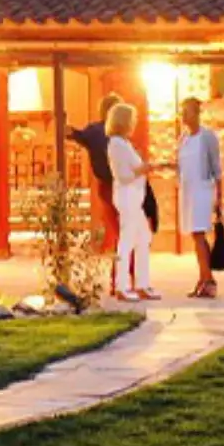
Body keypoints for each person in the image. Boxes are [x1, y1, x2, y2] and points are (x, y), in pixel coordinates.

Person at [67, 95, 126, 296]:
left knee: (121, 233)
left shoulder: (95, 132)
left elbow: (73, 134)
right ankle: (121, 280)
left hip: (108, 187)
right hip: (119, 187)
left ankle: (120, 278)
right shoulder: (113, 135)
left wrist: (64, 124)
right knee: (124, 234)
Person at [107, 101, 157, 301]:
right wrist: (142, 169)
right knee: (127, 240)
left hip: (136, 197)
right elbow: (123, 175)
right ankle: (122, 285)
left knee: (143, 238)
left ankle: (142, 284)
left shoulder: (126, 144)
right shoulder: (116, 144)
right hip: (127, 197)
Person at [176, 95, 224, 298]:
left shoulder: (207, 137)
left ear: (196, 114)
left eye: (186, 112)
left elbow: (216, 167)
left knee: (199, 233)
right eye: (182, 112)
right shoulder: (183, 138)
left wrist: (219, 197)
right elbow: (180, 165)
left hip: (203, 191)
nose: (183, 116)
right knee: (195, 235)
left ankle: (208, 280)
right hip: (188, 191)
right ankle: (204, 278)